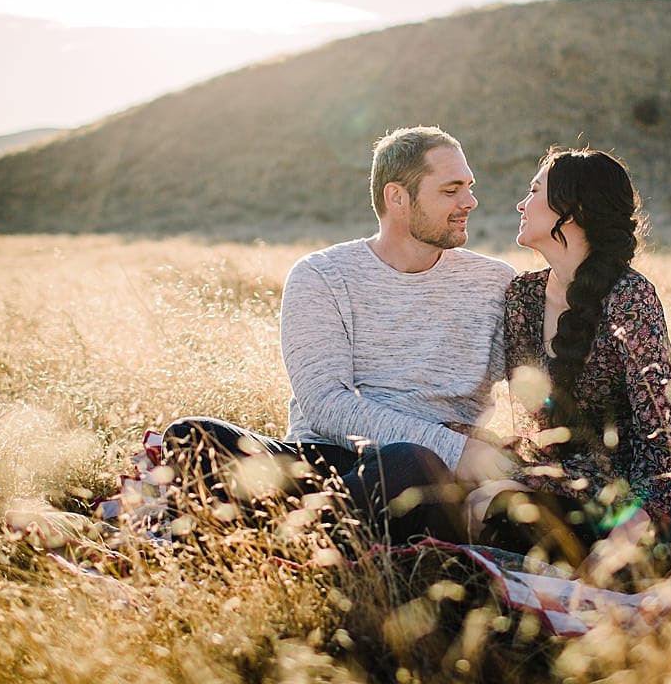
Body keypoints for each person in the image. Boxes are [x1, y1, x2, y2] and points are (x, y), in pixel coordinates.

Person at [162, 126, 516, 548]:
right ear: (397, 198)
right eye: (451, 190)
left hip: (426, 478)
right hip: (324, 465)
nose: (470, 202)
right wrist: (460, 451)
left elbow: (541, 394)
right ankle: (314, 534)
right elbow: (324, 403)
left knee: (410, 463)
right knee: (193, 437)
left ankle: (281, 544)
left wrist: (475, 457)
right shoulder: (322, 275)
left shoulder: (495, 283)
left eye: (469, 187)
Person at [466, 148, 671, 581]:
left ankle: (636, 555)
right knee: (475, 503)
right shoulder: (523, 297)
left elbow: (660, 425)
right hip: (569, 475)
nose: (521, 204)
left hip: (637, 485)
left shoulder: (630, 297)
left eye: (534, 190)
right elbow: (533, 422)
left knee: (502, 511)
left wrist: (641, 518)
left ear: (573, 209)